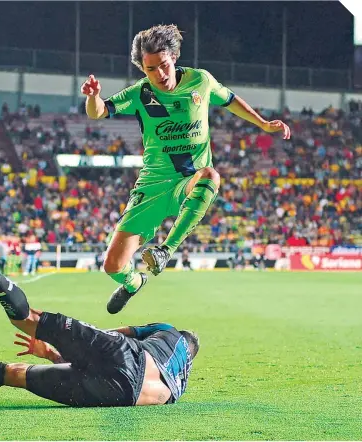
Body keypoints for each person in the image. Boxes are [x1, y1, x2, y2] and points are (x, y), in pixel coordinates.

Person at [81, 24, 291, 313]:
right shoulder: (140, 94)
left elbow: (229, 99)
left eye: (164, 65)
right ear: (143, 69)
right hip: (152, 185)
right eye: (151, 69)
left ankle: (165, 251)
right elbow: (99, 112)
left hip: (190, 179)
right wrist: (92, 96)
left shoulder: (200, 81)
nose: (160, 74)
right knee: (113, 266)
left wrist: (264, 124)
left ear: (174, 57)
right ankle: (133, 283)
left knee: (210, 176)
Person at [0, 254, 199, 408]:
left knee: (29, 320)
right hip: (121, 394)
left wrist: (65, 343)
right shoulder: (176, 390)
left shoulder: (169, 333)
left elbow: (117, 333)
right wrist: (52, 355)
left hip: (126, 353)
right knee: (14, 375)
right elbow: (100, 375)